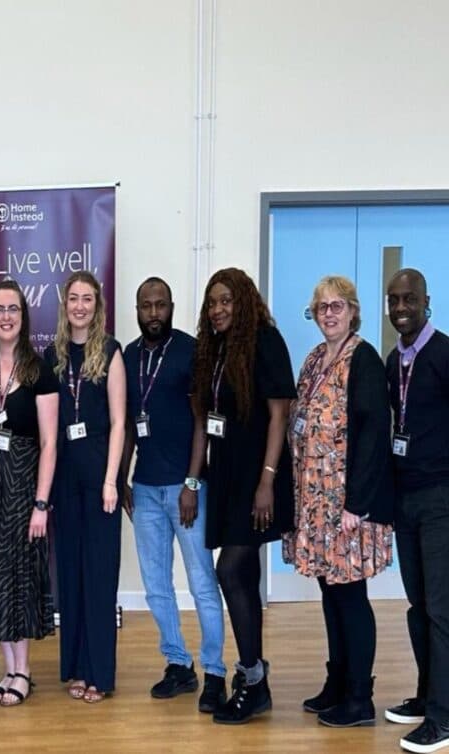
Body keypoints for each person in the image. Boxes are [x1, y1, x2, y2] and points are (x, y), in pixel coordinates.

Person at [281, 275, 393, 728]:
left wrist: (356, 504)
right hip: (315, 502)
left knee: (351, 596)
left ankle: (359, 698)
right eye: (321, 307)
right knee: (330, 592)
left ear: (353, 311)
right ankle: (337, 680)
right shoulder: (312, 361)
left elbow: (371, 435)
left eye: (337, 306)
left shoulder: (362, 360)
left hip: (348, 507)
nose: (329, 314)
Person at [189, 267, 296, 725]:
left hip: (258, 477)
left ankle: (251, 676)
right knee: (243, 574)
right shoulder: (213, 348)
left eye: (226, 301)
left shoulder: (266, 342)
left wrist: (267, 481)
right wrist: (196, 479)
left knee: (229, 569)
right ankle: (258, 683)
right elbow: (207, 417)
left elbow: (279, 416)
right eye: (212, 302)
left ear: (245, 301)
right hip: (227, 476)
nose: (218, 310)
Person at [119, 277, 227, 712]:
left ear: (172, 307)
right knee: (156, 587)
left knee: (202, 582)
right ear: (137, 308)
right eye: (146, 306)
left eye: (160, 305)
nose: (153, 313)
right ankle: (178, 664)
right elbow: (128, 422)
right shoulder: (128, 356)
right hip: (144, 490)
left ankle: (215, 671)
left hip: (186, 490)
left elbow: (202, 421)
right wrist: (122, 478)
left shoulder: (191, 349)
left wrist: (192, 482)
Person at [0, 280, 58, 706]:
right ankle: (8, 668)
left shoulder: (40, 372)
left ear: (23, 318)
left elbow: (50, 443)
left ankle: (23, 670)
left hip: (24, 486)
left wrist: (41, 503)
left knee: (20, 576)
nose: (6, 316)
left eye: (14, 310)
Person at [44, 271, 126, 704]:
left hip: (99, 480)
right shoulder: (53, 355)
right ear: (64, 304)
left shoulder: (110, 353)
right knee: (71, 576)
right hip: (64, 481)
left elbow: (118, 423)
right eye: (73, 299)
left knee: (99, 575)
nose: (79, 306)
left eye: (87, 299)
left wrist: (112, 480)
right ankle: (77, 666)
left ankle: (100, 673)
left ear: (98, 305)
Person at [382, 269, 449, 754]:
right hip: (406, 497)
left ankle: (444, 718)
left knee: (443, 610)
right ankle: (428, 696)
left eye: (409, 298)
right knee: (418, 606)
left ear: (428, 302)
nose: (401, 306)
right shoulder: (394, 360)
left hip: (442, 498)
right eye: (394, 299)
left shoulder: (444, 354)